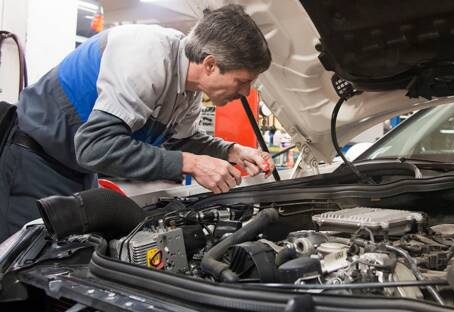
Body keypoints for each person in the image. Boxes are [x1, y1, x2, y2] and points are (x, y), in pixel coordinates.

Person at [0, 4, 274, 241]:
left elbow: (181, 140)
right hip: (33, 165)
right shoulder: (147, 56)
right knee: (24, 280)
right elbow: (94, 147)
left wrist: (232, 151)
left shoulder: (189, 89)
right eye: (243, 82)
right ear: (211, 65)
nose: (245, 93)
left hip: (79, 173)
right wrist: (191, 163)